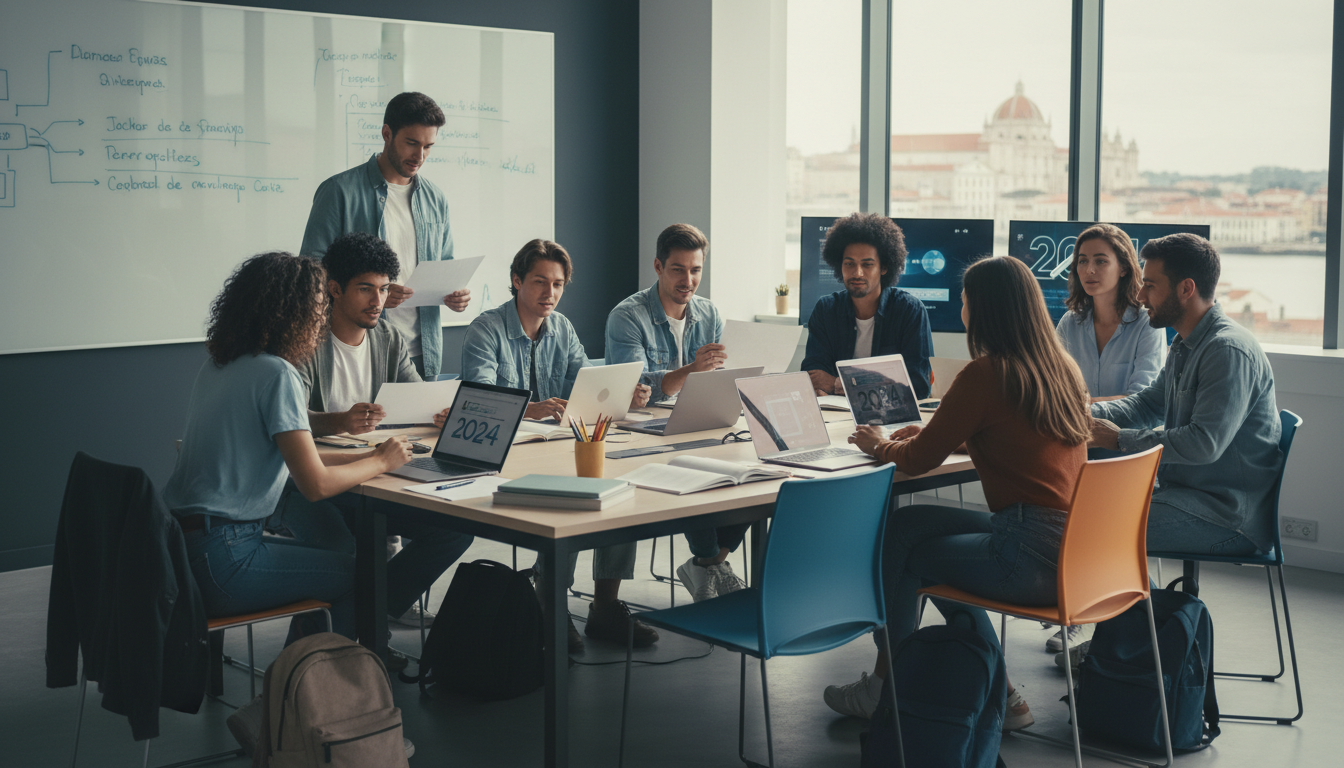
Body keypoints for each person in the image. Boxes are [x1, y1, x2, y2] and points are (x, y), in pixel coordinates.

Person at [822, 256, 1091, 734]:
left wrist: (878, 444)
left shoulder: (986, 373)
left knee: (913, 554)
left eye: (966, 301)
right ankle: (999, 694)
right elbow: (1016, 433)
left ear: (982, 310)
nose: (962, 310)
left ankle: (888, 689)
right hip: (1077, 550)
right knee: (904, 528)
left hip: (1026, 556)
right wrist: (934, 434)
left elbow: (917, 461)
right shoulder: (1059, 367)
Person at [162, 252, 416, 757]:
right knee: (356, 574)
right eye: (319, 304)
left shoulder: (221, 364)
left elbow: (287, 447)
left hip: (182, 552)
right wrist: (383, 461)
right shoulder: (276, 372)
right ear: (293, 311)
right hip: (227, 558)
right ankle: (306, 716)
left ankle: (278, 707)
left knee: (339, 561)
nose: (323, 315)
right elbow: (317, 485)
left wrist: (362, 451)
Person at [266, 232, 474, 630]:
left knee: (452, 531)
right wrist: (338, 420)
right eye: (365, 289)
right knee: (342, 551)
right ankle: (328, 654)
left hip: (371, 472)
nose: (378, 301)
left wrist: (440, 412)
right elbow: (285, 418)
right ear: (334, 289)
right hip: (304, 479)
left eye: (382, 289)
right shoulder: (306, 341)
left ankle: (367, 620)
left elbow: (419, 393)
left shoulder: (388, 338)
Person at [462, 239, 654, 652]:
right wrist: (532, 409)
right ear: (516, 281)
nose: (550, 293)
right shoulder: (486, 328)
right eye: (539, 282)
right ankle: (552, 602)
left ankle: (605, 605)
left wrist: (623, 395)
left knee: (618, 487)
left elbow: (586, 385)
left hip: (555, 442)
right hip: (507, 452)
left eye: (558, 284)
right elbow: (481, 398)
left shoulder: (562, 327)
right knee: (565, 498)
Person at [1090, 233, 1281, 560]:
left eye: (1149, 285)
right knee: (1087, 509)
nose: (1139, 295)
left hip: (1227, 517)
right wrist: (1088, 415)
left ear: (1186, 289)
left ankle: (1146, 611)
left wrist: (1119, 439)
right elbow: (1148, 403)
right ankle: (1148, 610)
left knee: (1089, 524)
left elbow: (1203, 444)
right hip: (1189, 496)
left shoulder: (1226, 350)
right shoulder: (1185, 342)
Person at [604, 223, 749, 602]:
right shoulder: (628, 316)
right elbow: (633, 389)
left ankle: (710, 562)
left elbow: (717, 377)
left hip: (698, 421)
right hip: (643, 429)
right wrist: (691, 373)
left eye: (696, 270)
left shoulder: (709, 313)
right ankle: (707, 561)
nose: (688, 280)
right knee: (693, 466)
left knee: (754, 470)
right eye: (678, 269)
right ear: (657, 266)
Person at [300, 91, 471, 381]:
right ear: (387, 134)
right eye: (412, 143)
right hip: (360, 347)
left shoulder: (435, 199)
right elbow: (311, 273)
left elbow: (445, 264)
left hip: (423, 351)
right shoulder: (339, 192)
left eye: (428, 146)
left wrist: (455, 294)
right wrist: (376, 292)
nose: (420, 156)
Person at [802, 212, 933, 400]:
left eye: (867, 264)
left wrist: (841, 384)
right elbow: (813, 375)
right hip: (836, 415)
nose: (857, 273)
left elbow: (918, 384)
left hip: (891, 419)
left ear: (884, 267)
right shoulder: (826, 309)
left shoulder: (909, 311)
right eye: (849, 264)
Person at [1056, 223, 1166, 402]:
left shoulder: (1147, 322)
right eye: (1082, 261)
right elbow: (1053, 387)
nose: (1089, 270)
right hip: (1075, 428)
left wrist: (1081, 407)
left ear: (1123, 268)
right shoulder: (1069, 323)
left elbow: (1143, 401)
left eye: (1101, 261)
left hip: (1126, 429)